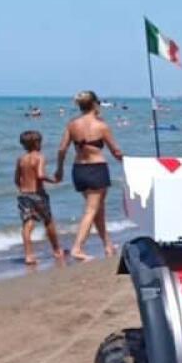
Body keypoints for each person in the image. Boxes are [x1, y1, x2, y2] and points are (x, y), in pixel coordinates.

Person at [55, 90, 123, 261]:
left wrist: (59, 169)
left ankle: (107, 245)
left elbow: (62, 149)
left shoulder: (72, 124)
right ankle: (77, 248)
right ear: (95, 104)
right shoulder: (101, 126)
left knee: (98, 210)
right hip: (96, 168)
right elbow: (115, 151)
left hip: (78, 170)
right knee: (92, 210)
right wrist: (128, 163)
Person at [14, 130, 64, 266]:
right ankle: (57, 249)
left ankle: (29, 255)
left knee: (27, 224)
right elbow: (40, 175)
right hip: (38, 194)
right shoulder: (40, 157)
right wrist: (54, 180)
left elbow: (16, 179)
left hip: (24, 195)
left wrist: (22, 189)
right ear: (37, 143)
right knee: (48, 221)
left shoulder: (21, 159)